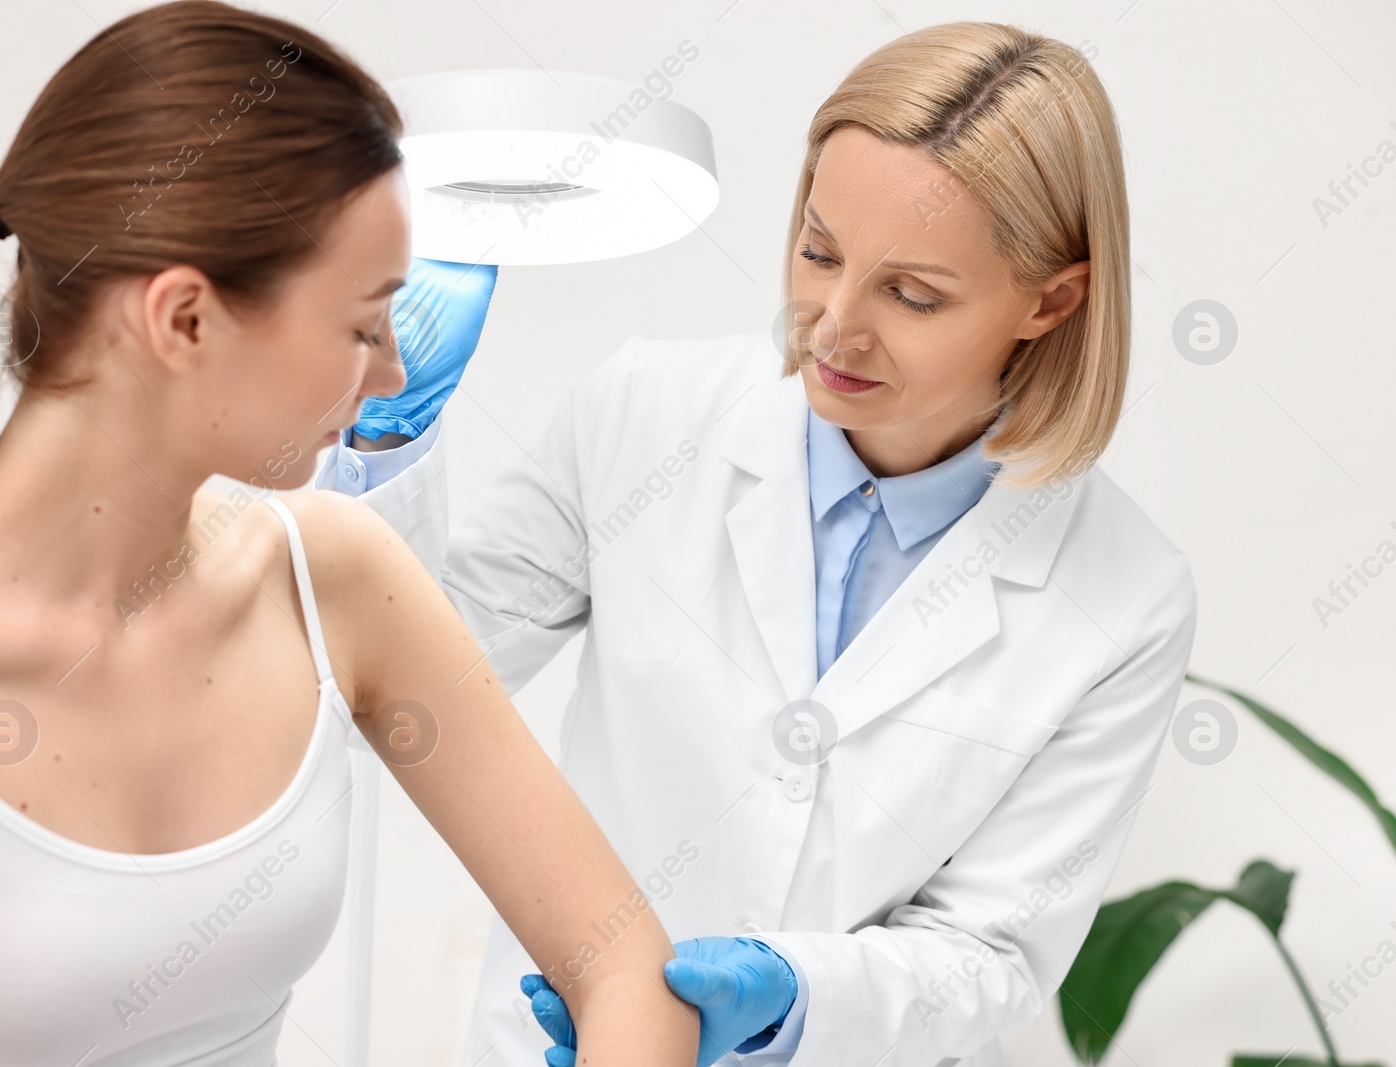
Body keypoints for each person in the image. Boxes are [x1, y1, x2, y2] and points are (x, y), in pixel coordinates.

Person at [0, 3, 698, 1065]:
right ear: (184, 319)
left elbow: (624, 964)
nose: (392, 373)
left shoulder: (332, 573)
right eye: (365, 323)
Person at [318, 21, 1197, 1067]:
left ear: (1050, 300)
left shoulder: (1125, 594)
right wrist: (383, 426)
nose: (833, 327)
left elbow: (991, 948)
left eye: (912, 293)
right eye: (818, 251)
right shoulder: (646, 410)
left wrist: (791, 997)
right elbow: (403, 690)